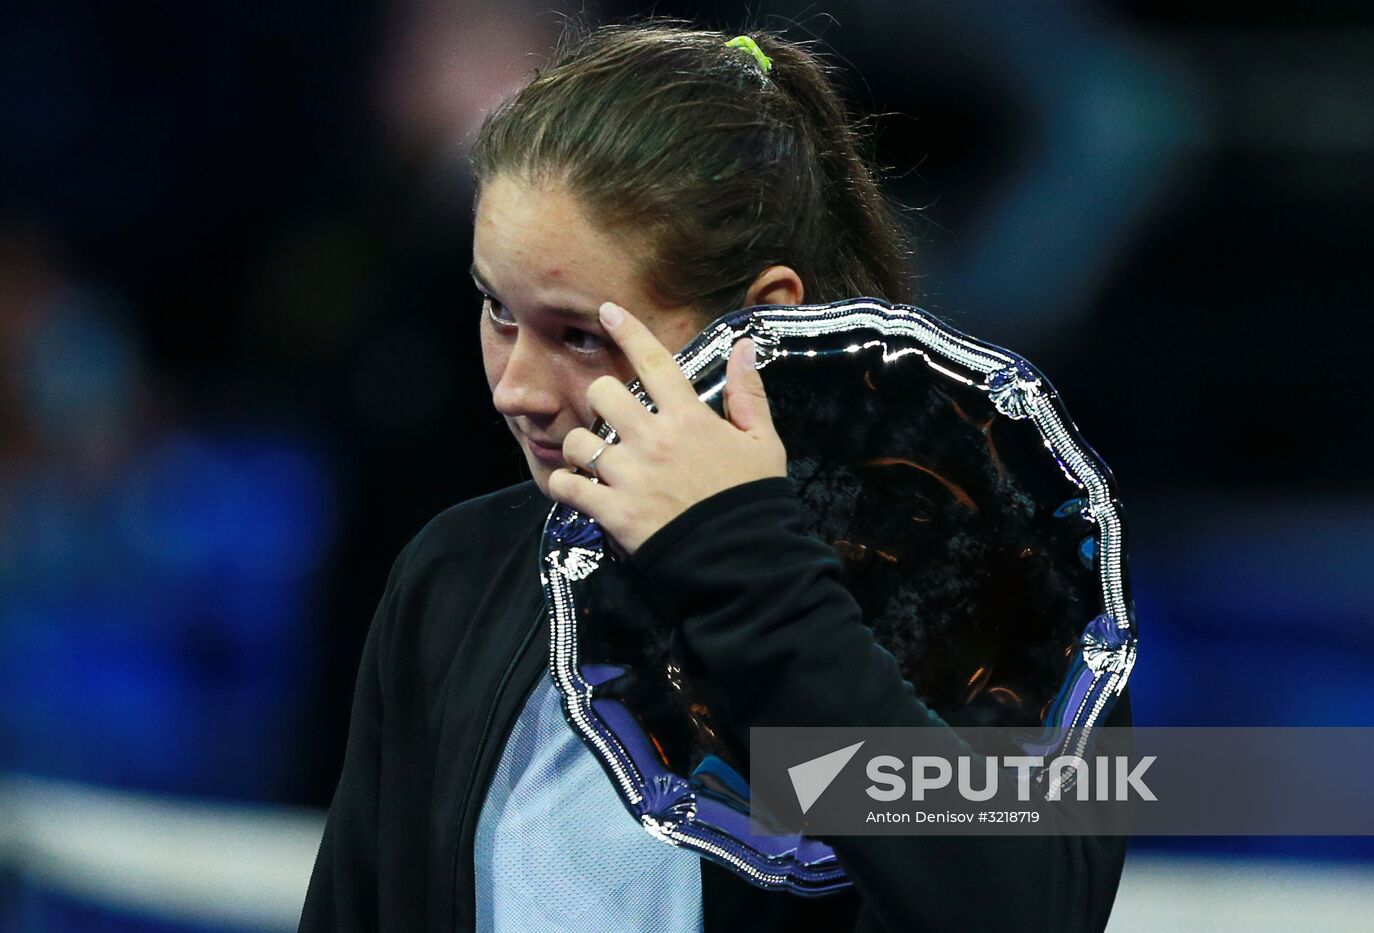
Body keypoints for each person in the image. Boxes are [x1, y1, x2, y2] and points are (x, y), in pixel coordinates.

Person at [298, 22, 1129, 932]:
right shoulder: (454, 576)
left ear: (762, 320)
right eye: (499, 310)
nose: (515, 390)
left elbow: (1027, 911)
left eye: (579, 334)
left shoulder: (998, 596)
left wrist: (745, 562)